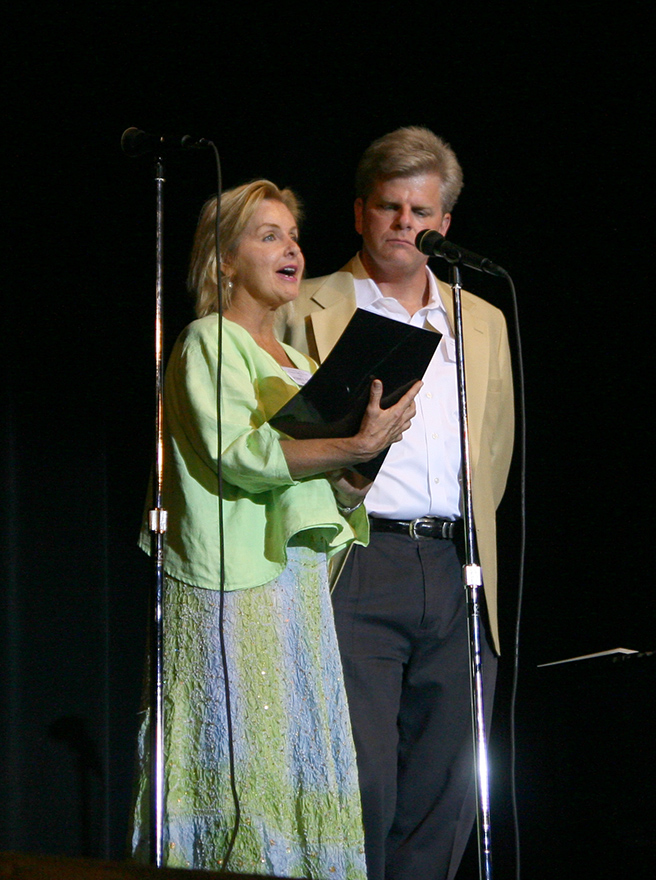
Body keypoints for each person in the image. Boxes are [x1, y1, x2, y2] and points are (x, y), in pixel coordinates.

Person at [128, 179, 421, 878]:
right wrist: (348, 448)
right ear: (223, 260)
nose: (290, 249)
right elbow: (241, 455)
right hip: (230, 588)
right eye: (268, 236)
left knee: (296, 766)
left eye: (292, 236)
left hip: (296, 590)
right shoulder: (207, 343)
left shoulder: (302, 365)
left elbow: (331, 500)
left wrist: (366, 456)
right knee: (238, 766)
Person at [282, 128, 515, 880]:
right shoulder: (307, 305)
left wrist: (464, 546)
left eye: (421, 211)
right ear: (359, 212)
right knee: (361, 783)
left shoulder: (481, 318)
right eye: (388, 207)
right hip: (355, 559)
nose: (403, 225)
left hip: (457, 570)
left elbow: (495, 456)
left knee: (446, 793)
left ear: (445, 222)